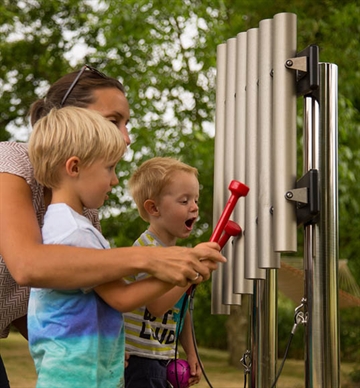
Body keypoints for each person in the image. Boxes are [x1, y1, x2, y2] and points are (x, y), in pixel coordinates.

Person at [0, 65, 225, 387]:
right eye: (113, 121)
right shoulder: (11, 162)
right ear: (69, 120)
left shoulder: (85, 212)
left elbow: (55, 294)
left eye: (126, 124)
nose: (126, 137)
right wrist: (152, 259)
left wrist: (92, 345)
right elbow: (27, 266)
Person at [27, 107, 192, 387]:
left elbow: (106, 303)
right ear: (74, 167)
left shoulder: (65, 225)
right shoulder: (75, 233)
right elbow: (123, 297)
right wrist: (184, 270)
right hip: (79, 377)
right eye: (109, 168)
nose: (115, 180)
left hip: (76, 370)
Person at [124, 157, 203, 388]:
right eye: (184, 200)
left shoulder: (178, 254)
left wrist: (190, 352)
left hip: (162, 356)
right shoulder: (146, 250)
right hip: (140, 359)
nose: (195, 206)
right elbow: (157, 306)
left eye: (196, 199)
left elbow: (181, 307)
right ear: (154, 208)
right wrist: (190, 274)